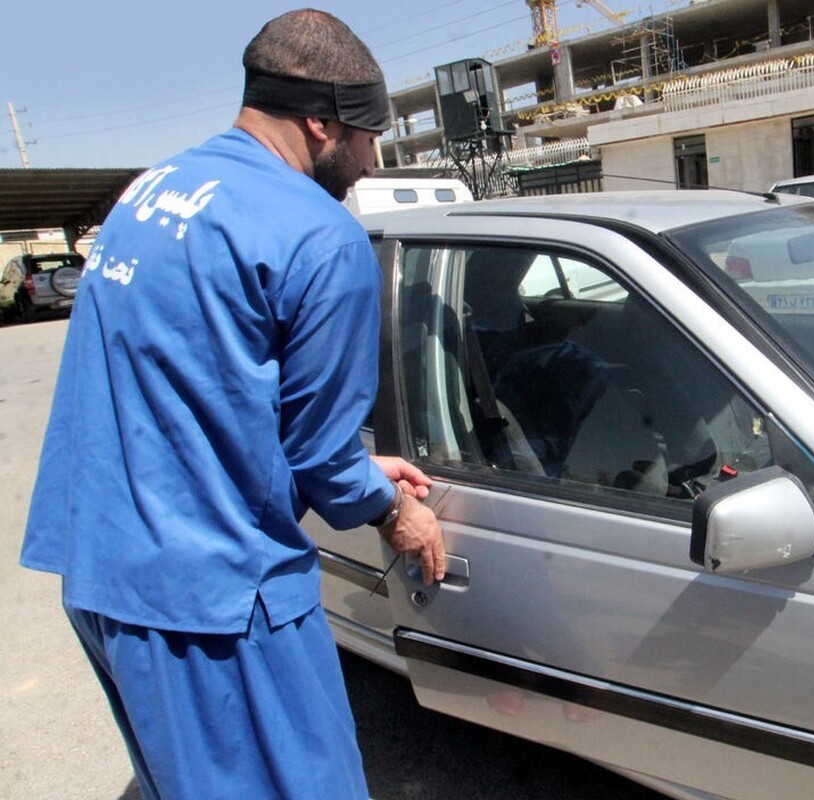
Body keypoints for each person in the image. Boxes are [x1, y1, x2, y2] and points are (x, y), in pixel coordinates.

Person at [19, 9, 444, 799]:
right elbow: (319, 459)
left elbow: (197, 377)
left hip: (101, 571)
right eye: (368, 135)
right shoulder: (320, 237)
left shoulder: (149, 193)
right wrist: (390, 506)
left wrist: (351, 462)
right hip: (213, 604)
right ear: (322, 123)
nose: (373, 157)